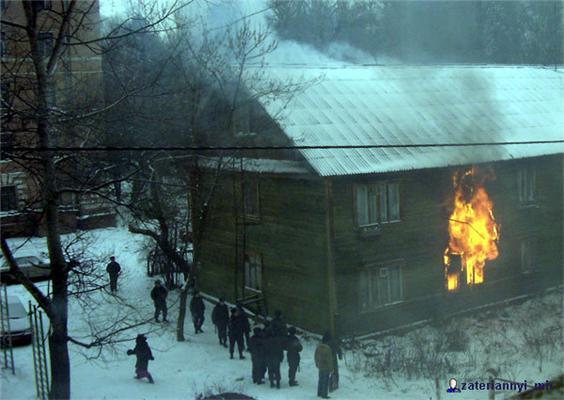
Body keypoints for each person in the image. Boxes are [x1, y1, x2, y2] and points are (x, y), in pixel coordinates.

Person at [315, 333, 333, 399]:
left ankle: (319, 392)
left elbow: (315, 356)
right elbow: (329, 359)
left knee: (320, 380)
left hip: (320, 366)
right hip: (326, 367)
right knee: (325, 381)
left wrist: (317, 363)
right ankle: (324, 394)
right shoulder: (328, 348)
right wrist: (331, 368)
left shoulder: (318, 347)